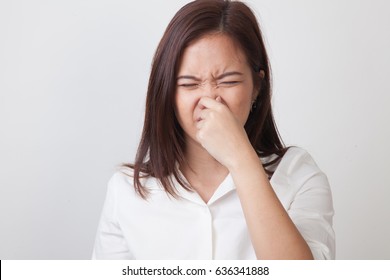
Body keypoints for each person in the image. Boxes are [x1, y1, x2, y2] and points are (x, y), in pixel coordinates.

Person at [92, 0, 335, 260]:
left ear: (256, 87)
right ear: (167, 94)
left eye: (228, 81)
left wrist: (240, 159)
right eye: (188, 84)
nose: (209, 99)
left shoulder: (298, 175)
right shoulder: (127, 190)